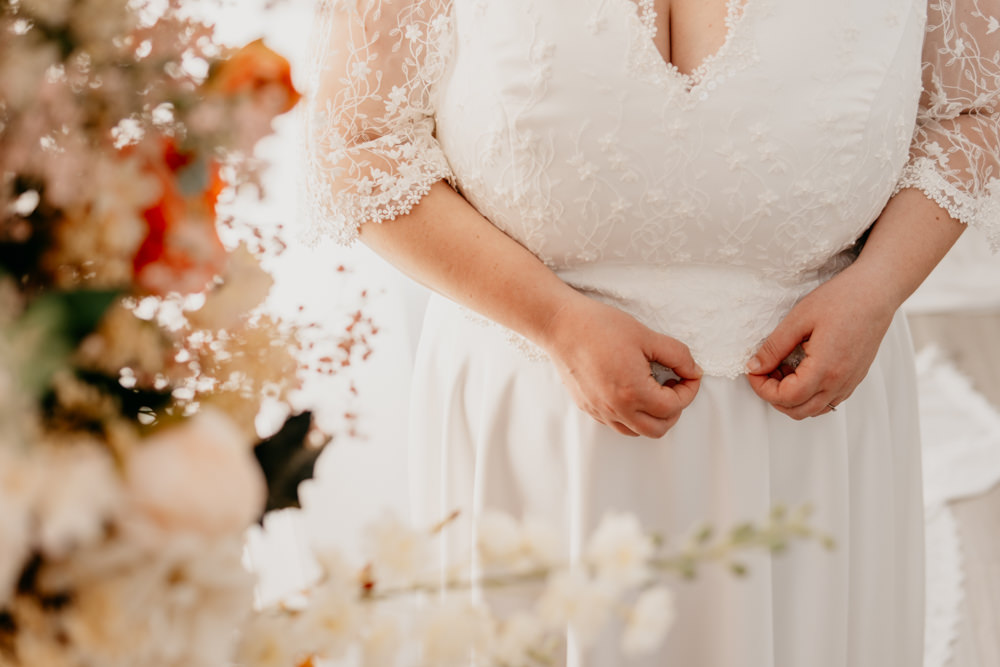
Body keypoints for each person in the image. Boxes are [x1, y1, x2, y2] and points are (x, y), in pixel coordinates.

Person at [305, 0, 1000, 664]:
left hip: (817, 423)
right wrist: (555, 320)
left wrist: (878, 287)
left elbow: (971, 110)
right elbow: (359, 145)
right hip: (536, 422)